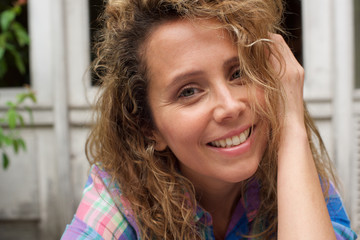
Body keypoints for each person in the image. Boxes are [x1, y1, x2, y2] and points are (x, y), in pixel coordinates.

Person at [62, 0, 357, 239]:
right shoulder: (121, 198)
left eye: (239, 72)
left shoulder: (294, 173)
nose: (230, 107)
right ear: (148, 128)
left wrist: (291, 127)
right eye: (189, 91)